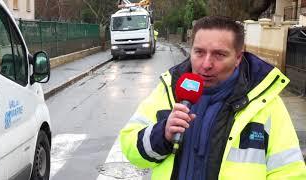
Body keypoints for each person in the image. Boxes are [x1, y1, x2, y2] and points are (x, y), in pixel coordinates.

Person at [120, 16, 306, 180]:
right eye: (199, 52)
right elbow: (130, 149)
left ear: (238, 58)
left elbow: (289, 172)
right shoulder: (168, 91)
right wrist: (163, 134)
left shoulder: (265, 104)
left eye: (219, 54)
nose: (206, 64)